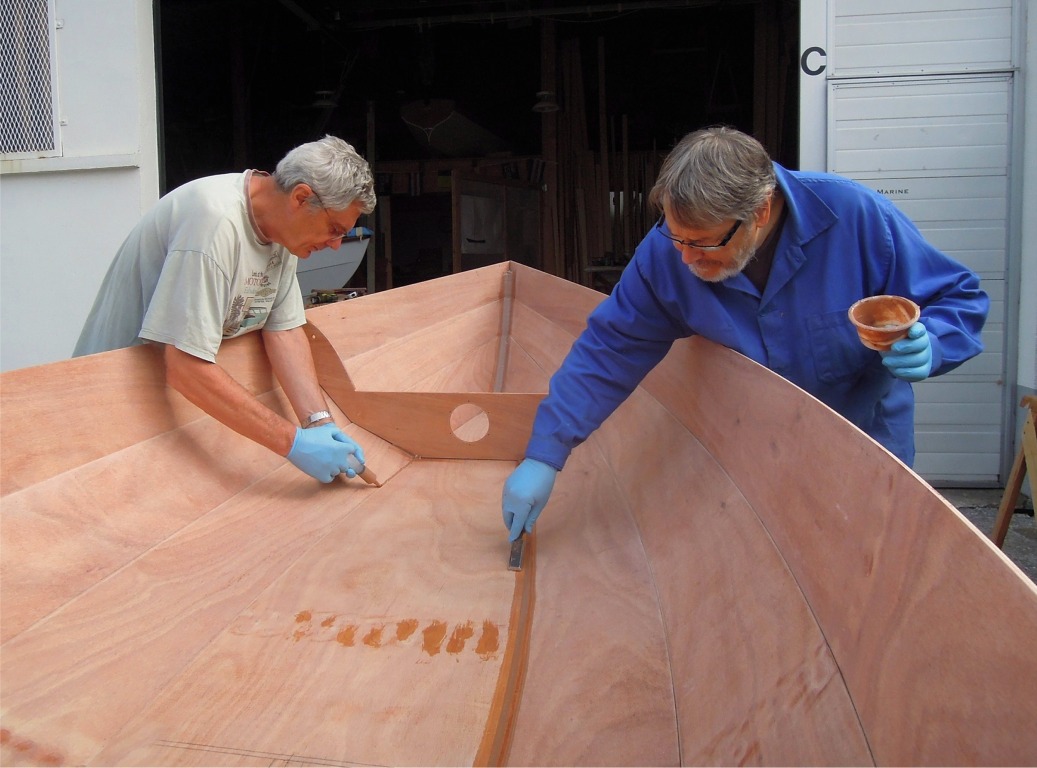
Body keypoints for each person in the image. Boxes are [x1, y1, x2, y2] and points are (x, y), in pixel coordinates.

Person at [502, 125, 989, 542]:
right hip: (749, 465)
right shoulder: (667, 254)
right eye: (676, 237)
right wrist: (547, 452)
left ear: (758, 213)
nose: (687, 258)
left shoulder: (857, 218)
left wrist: (936, 342)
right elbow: (609, 351)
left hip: (862, 460)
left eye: (703, 244)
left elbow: (959, 297)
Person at [74, 135, 377, 484]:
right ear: (301, 197)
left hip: (167, 405)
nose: (337, 245)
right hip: (105, 402)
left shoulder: (283, 233)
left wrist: (319, 423)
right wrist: (294, 443)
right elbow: (186, 367)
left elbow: (285, 329)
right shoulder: (214, 223)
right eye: (335, 229)